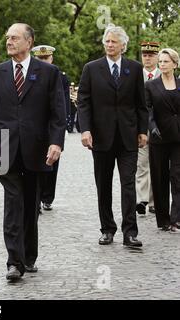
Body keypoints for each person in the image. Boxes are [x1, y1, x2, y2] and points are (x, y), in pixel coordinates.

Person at [0, 23, 66, 280]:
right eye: (7, 38)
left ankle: (29, 256)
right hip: (6, 150)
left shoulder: (49, 73)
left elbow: (58, 114)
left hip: (37, 148)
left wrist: (56, 143)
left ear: (29, 42)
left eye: (14, 38)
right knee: (13, 201)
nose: (9, 42)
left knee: (30, 202)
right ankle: (14, 262)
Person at [77, 25, 148, 247]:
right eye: (107, 41)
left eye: (114, 42)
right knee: (103, 184)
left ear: (123, 46)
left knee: (128, 184)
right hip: (101, 136)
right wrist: (85, 129)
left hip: (128, 137)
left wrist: (143, 130)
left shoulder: (135, 69)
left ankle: (130, 232)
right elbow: (83, 102)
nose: (109, 45)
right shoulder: (92, 68)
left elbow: (141, 104)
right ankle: (107, 229)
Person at [31, 45, 69, 212]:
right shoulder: (29, 76)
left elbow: (64, 103)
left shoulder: (60, 77)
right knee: (34, 163)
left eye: (46, 58)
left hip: (53, 126)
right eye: (40, 59)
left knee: (52, 163)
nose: (43, 62)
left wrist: (63, 126)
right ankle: (36, 198)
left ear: (51, 59)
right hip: (34, 126)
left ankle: (48, 197)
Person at [146, 48, 180, 233]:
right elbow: (147, 110)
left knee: (177, 177)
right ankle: (163, 220)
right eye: (160, 61)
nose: (162, 64)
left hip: (178, 138)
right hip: (159, 137)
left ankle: (176, 218)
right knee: (159, 179)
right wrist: (152, 127)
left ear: (175, 64)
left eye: (166, 61)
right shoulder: (151, 85)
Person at [136, 41, 162, 215]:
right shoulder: (135, 75)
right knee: (142, 164)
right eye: (144, 55)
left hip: (160, 128)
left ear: (157, 57)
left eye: (151, 55)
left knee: (157, 164)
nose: (147, 58)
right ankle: (142, 200)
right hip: (141, 127)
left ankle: (154, 201)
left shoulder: (165, 74)